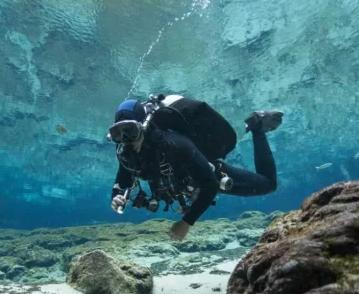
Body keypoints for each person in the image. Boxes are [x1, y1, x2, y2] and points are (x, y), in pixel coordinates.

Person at [107, 94, 283, 240]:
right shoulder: (127, 154)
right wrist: (117, 197)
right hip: (187, 185)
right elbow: (122, 181)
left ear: (143, 126)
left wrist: (186, 222)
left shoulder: (176, 144)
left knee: (268, 185)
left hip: (206, 173)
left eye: (130, 131)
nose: (126, 140)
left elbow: (211, 185)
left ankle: (257, 126)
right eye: (118, 134)